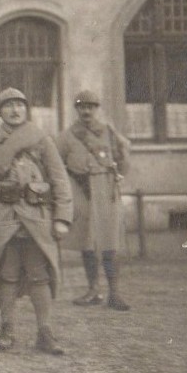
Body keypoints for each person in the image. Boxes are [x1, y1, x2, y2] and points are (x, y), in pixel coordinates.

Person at [0, 88, 73, 356]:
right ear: (0, 112)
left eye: (19, 105)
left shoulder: (41, 141)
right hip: (2, 215)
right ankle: (7, 329)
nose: (15, 111)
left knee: (40, 274)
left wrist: (62, 218)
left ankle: (44, 332)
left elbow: (59, 179)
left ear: (26, 110)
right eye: (8, 106)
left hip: (37, 215)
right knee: (7, 274)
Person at [55, 90, 131, 311]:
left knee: (110, 242)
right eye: (82, 107)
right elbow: (56, 163)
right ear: (76, 109)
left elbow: (124, 155)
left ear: (97, 109)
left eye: (91, 106)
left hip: (106, 191)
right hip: (81, 190)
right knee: (87, 242)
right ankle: (93, 290)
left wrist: (118, 176)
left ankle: (114, 293)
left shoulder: (108, 132)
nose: (86, 111)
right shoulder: (68, 135)